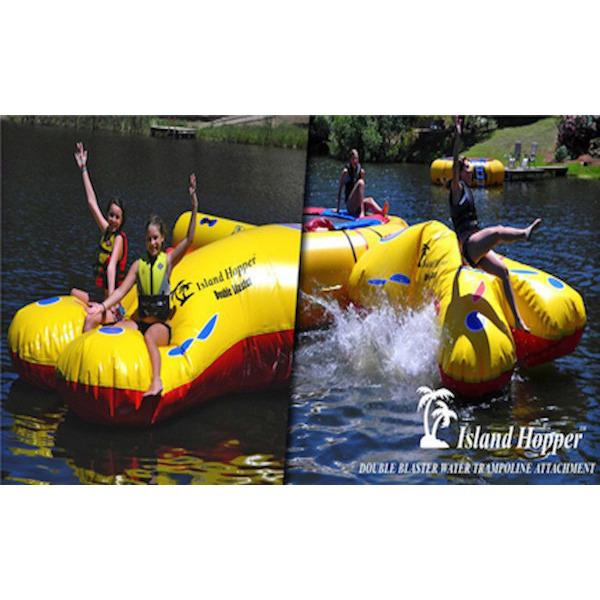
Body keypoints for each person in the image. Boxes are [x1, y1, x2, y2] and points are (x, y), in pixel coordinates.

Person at [88, 173, 199, 397]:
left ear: (163, 239)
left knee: (148, 338)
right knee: (115, 331)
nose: (153, 243)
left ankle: (156, 382)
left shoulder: (167, 261)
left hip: (159, 326)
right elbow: (120, 291)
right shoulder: (139, 265)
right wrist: (102, 307)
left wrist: (194, 204)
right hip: (139, 321)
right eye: (149, 239)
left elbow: (189, 239)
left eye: (156, 238)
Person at [449, 116, 542, 332]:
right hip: (469, 246)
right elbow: (455, 164)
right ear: (460, 173)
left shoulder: (468, 190)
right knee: (498, 231)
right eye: (468, 170)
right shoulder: (456, 189)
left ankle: (518, 321)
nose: (471, 173)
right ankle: (524, 234)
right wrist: (458, 134)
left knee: (504, 272)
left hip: (475, 248)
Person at [70, 142, 129, 330]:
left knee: (91, 320)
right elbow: (91, 203)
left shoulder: (119, 239)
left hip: (113, 304)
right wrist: (83, 169)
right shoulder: (107, 232)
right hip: (101, 298)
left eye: (117, 217)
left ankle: (84, 351)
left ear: (122, 220)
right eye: (111, 215)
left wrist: (108, 305)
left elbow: (111, 268)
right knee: (73, 293)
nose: (113, 220)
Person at [336, 149, 389, 218]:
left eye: (357, 158)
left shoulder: (361, 171)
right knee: (360, 182)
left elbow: (361, 191)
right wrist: (338, 209)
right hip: (350, 206)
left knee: (370, 199)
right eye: (353, 159)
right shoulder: (346, 172)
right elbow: (340, 190)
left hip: (357, 204)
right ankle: (362, 211)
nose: (355, 161)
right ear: (350, 159)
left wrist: (363, 202)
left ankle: (381, 212)